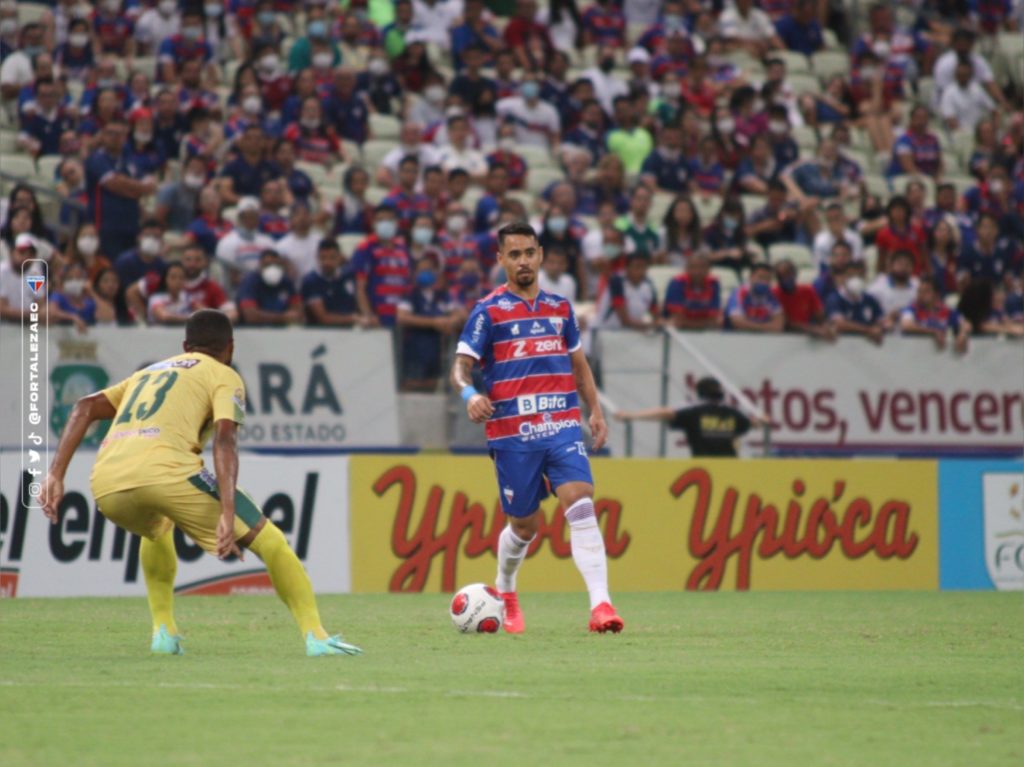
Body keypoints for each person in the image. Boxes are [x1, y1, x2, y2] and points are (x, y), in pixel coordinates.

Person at [37, 310, 362, 658]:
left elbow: (84, 406)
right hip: (167, 472)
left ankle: (163, 632)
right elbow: (225, 440)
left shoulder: (148, 372)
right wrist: (227, 508)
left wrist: (55, 474)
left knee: (157, 527)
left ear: (185, 346)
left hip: (106, 483)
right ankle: (316, 636)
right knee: (271, 541)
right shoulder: (224, 375)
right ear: (230, 347)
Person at [450, 221, 623, 635]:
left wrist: (595, 411)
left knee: (580, 501)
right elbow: (460, 368)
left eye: (529, 252)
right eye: (514, 254)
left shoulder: (561, 308)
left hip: (562, 425)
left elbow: (579, 366)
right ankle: (506, 590)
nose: (523, 261)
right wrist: (469, 395)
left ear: (541, 255)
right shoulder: (488, 311)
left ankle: (602, 606)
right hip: (512, 434)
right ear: (501, 260)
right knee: (524, 526)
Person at [615, 376, 758, 457]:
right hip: (731, 467)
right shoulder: (732, 412)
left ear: (698, 392)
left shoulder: (695, 410)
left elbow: (665, 412)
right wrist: (762, 420)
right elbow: (753, 422)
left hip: (704, 467)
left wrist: (632, 415)